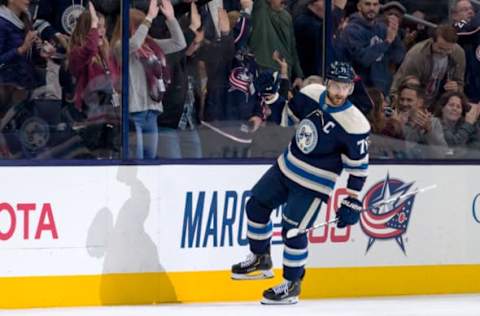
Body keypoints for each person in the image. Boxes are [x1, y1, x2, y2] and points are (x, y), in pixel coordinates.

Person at [231, 61, 370, 305]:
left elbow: (358, 168)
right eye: (336, 85)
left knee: (293, 231)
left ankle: (292, 284)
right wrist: (272, 97)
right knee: (256, 206)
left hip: (314, 183)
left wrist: (352, 199)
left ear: (351, 89)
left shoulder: (355, 124)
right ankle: (260, 258)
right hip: (287, 166)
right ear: (327, 82)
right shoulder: (311, 94)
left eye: (345, 87)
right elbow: (286, 118)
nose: (339, 92)